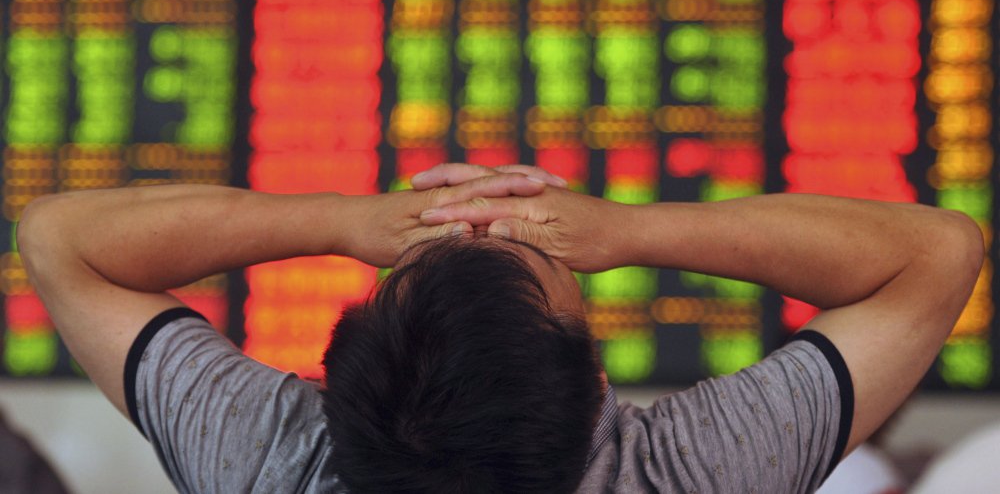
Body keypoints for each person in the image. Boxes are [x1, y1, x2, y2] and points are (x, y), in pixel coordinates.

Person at [18, 163, 981, 493]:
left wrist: (337, 220)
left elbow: (63, 237)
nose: (480, 214)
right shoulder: (690, 473)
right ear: (601, 391)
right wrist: (636, 229)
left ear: (324, 384)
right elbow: (938, 251)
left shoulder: (269, 460)